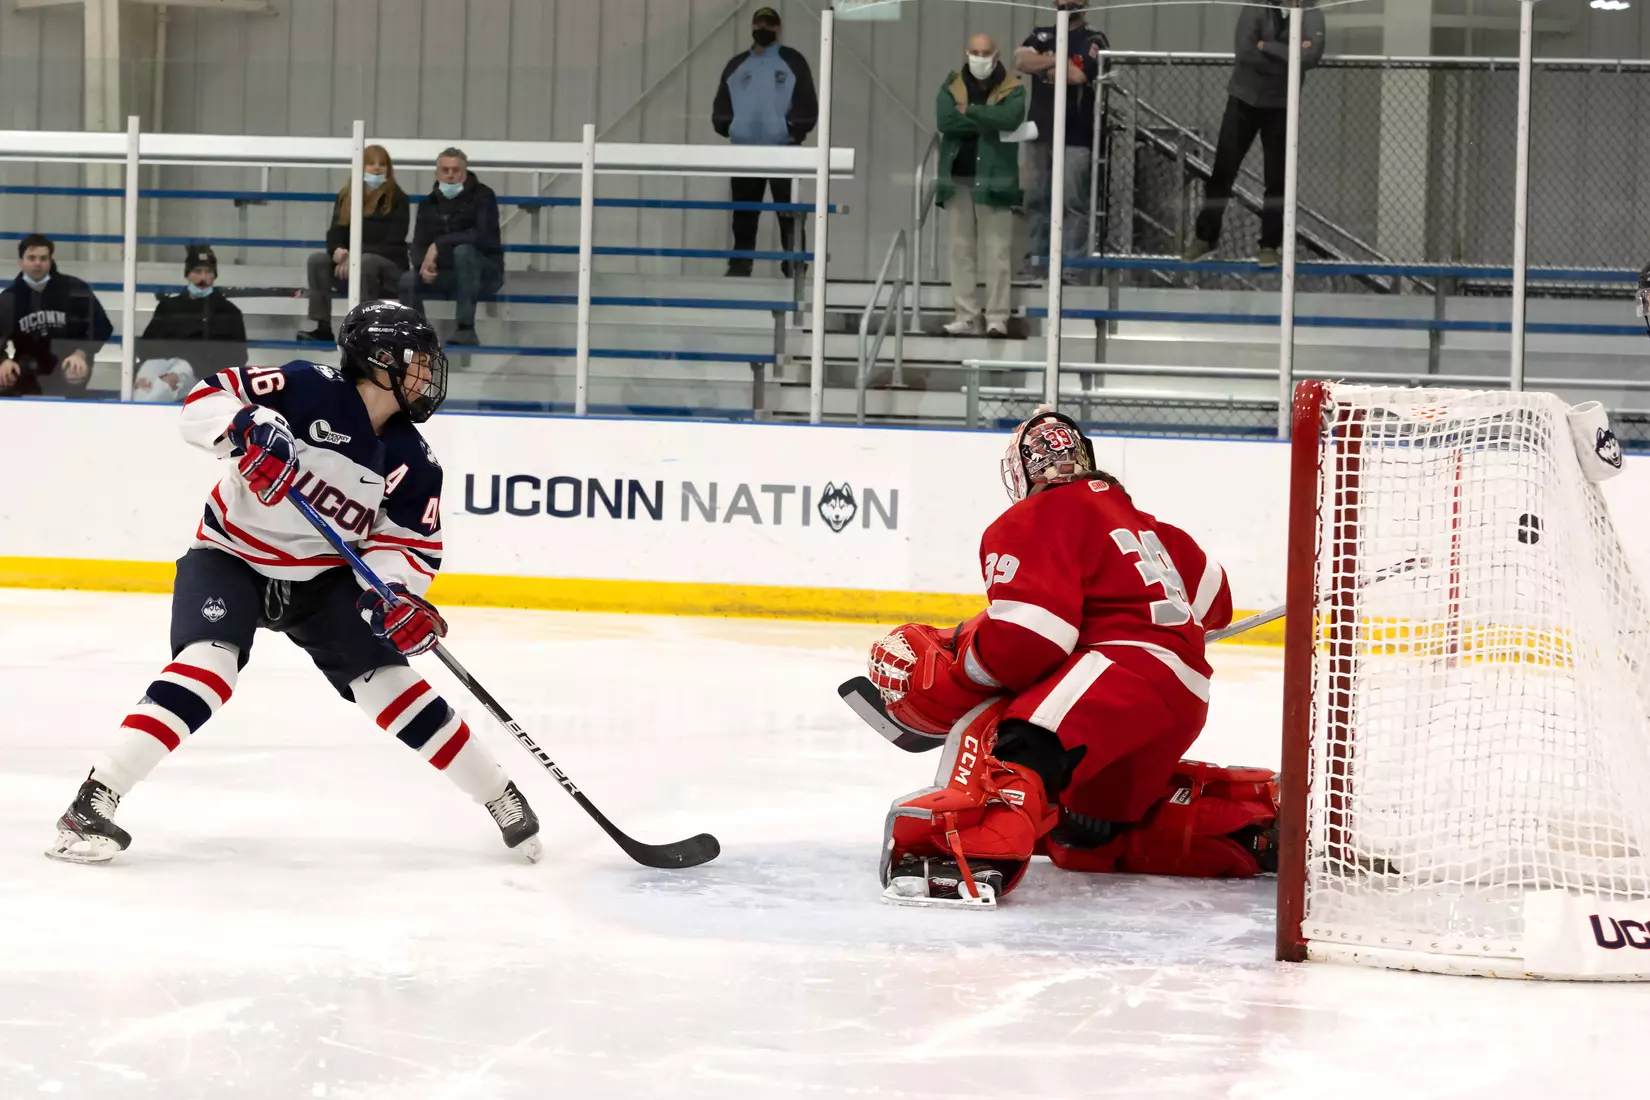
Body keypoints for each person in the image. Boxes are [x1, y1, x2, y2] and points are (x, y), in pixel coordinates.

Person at [45, 301, 542, 865]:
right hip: (231, 555)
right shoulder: (305, 387)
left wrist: (396, 595)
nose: (428, 374)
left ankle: (499, 794)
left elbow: (410, 547)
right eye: (417, 361)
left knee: (387, 680)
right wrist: (244, 426)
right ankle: (94, 798)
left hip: (322, 580)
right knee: (210, 664)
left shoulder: (413, 461)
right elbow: (204, 399)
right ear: (379, 362)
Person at [866, 410, 1277, 906]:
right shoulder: (1148, 526)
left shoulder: (1033, 516)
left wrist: (960, 671)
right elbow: (1215, 605)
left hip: (1120, 672)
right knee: (1085, 830)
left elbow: (1031, 639)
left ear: (1022, 473)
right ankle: (1236, 823)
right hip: (1184, 692)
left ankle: (970, 851)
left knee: (1024, 741)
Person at [1185, 3, 1326, 267]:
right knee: (1223, 171)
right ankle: (1205, 238)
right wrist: (1291, 58)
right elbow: (1246, 52)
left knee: (1277, 179)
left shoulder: (1312, 12)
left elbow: (1311, 56)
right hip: (1244, 101)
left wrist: (1267, 46)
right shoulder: (1257, 7)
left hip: (1283, 105)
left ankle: (1270, 246)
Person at [711, 6, 818, 277]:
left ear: (778, 29)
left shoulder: (793, 61)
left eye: (769, 25)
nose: (764, 29)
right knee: (744, 213)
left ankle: (795, 265)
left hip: (784, 150)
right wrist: (732, 127)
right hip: (745, 151)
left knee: (789, 212)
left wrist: (791, 130)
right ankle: (741, 265)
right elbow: (721, 106)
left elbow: (808, 103)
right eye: (759, 24)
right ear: (752, 27)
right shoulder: (737, 65)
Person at [935, 34, 1026, 338]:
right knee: (961, 251)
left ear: (996, 54)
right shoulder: (952, 85)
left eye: (985, 52)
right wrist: (989, 119)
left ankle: (997, 317)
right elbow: (945, 121)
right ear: (966, 52)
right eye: (975, 51)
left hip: (994, 181)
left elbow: (1011, 118)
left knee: (998, 252)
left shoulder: (1013, 87)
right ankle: (966, 316)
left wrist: (970, 112)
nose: (980, 56)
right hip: (958, 180)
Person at [1015, 1, 1109, 279]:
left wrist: (1042, 64)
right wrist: (1060, 60)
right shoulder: (1041, 34)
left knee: (1073, 202)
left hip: (1076, 134)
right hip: (1039, 131)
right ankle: (1035, 263)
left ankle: (1072, 270)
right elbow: (1020, 61)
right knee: (1036, 199)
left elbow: (1079, 74)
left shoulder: (1094, 39)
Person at [300, 144, 411, 343]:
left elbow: (393, 242)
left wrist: (354, 258)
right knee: (317, 260)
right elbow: (335, 231)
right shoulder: (346, 196)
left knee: (366, 262)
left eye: (382, 164)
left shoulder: (398, 198)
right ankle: (322, 327)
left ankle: (364, 329)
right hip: (353, 265)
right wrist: (337, 251)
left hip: (388, 269)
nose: (377, 168)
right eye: (370, 164)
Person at [398, 147, 503, 346]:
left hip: (484, 272)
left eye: (456, 170)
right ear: (437, 173)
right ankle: (416, 337)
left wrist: (438, 245)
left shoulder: (484, 196)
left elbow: (483, 236)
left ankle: (466, 329)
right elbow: (419, 243)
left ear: (465, 172)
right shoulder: (427, 204)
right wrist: (424, 265)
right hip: (446, 273)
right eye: (445, 170)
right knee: (407, 279)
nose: (450, 175)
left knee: (463, 252)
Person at [0, 234, 113, 399]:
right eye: (31, 258)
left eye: (43, 258)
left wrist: (82, 353)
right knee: (5, 377)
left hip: (69, 360)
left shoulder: (74, 288)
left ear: (51, 260)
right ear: (21, 262)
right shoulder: (10, 297)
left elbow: (101, 326)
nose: (37, 263)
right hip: (28, 364)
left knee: (75, 372)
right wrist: (3, 361)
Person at [134, 244, 248, 404]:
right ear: (188, 274)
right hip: (160, 363)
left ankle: (139, 420)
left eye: (208, 272)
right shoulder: (168, 307)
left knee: (166, 387)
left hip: (199, 371)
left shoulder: (228, 312)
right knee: (141, 388)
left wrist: (193, 366)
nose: (202, 278)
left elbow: (238, 357)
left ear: (214, 276)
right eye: (197, 271)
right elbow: (147, 345)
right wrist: (143, 372)